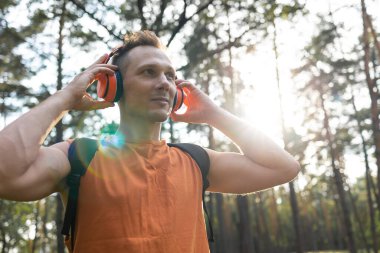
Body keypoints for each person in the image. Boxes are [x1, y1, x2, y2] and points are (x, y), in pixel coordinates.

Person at [0, 30, 300, 253]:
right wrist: (65, 98)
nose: (164, 83)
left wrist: (214, 114)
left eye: (171, 76)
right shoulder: (79, 156)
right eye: (148, 72)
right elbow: (5, 173)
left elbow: (283, 168)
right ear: (112, 86)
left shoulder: (196, 160)